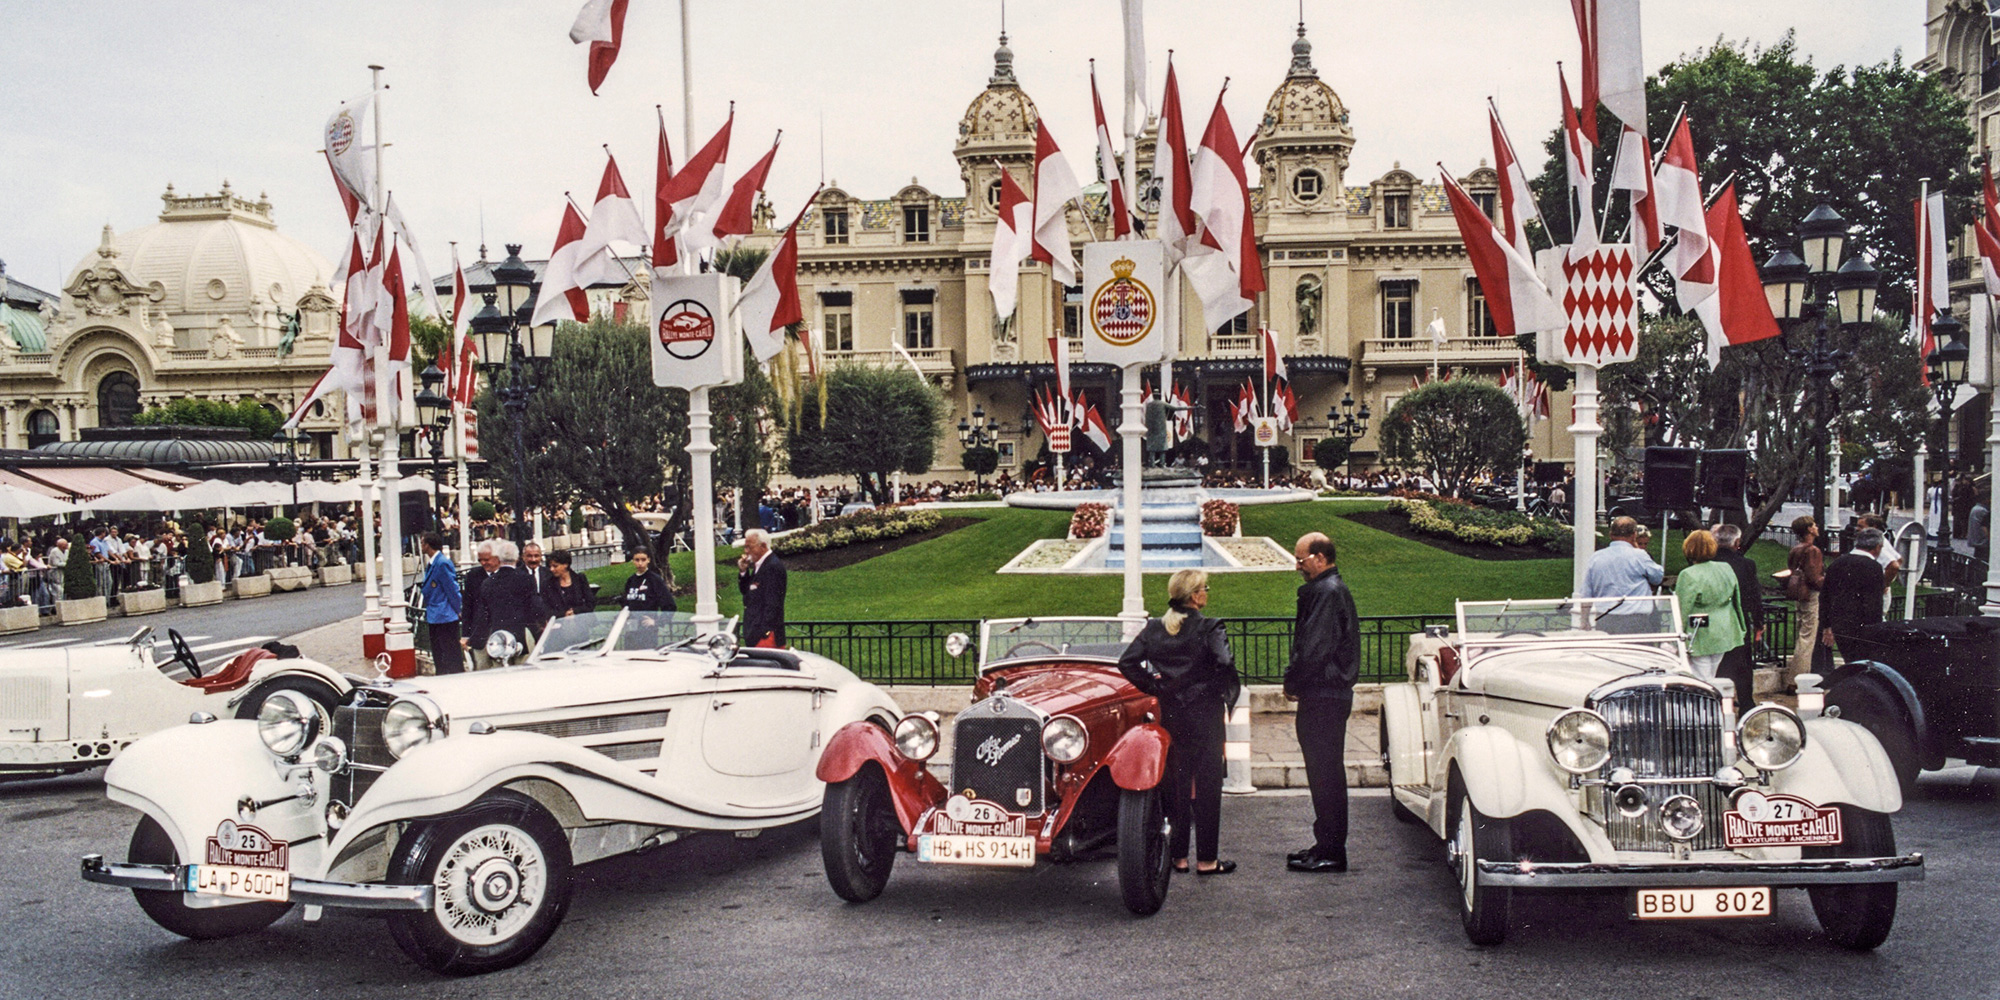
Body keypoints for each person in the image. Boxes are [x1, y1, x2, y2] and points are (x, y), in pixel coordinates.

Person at [1117, 569, 1242, 876]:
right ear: (1196, 595)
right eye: (1205, 589)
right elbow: (1224, 662)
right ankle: (1208, 860)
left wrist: (1157, 686)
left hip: (1172, 712)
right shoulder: (1211, 627)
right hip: (1206, 714)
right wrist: (1215, 688)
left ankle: (1179, 857)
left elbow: (1126, 662)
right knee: (1209, 784)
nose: (1207, 594)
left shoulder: (1156, 628)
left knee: (1176, 785)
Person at [1284, 532, 1360, 874]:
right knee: (1325, 772)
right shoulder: (1330, 590)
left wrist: (1293, 681)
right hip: (1328, 693)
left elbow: (1313, 649)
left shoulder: (1326, 593)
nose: (1298, 567)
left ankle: (1331, 849)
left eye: (1301, 560)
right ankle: (1326, 844)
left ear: (1318, 557)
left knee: (1325, 773)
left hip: (1323, 694)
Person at [1673, 530, 1746, 681]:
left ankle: (1706, 704)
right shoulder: (1725, 568)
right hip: (1723, 629)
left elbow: (1681, 609)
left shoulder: (1688, 574)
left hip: (1700, 632)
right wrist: (1740, 627)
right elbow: (1736, 601)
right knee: (1711, 674)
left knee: (1701, 677)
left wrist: (1674, 638)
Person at [1710, 524, 1764, 714]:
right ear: (1737, 542)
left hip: (1713, 622)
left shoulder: (1707, 562)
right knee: (1742, 665)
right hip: (1739, 621)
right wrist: (1759, 622)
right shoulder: (1746, 564)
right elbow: (1754, 595)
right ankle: (1746, 702)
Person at [465, 539, 538, 669]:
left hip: (499, 637)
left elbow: (483, 614)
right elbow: (535, 608)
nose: (483, 563)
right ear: (516, 558)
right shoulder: (526, 579)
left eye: (487, 559)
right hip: (511, 636)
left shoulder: (488, 583)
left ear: (498, 558)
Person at [1583, 517, 1665, 633]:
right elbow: (1657, 577)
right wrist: (1636, 548)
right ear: (1634, 535)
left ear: (1611, 534)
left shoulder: (1596, 558)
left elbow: (1587, 592)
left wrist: (1584, 620)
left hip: (1605, 619)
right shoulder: (1640, 556)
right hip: (1636, 620)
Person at [1821, 527, 1888, 667]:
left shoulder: (1837, 563)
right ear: (1877, 547)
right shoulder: (1874, 567)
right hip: (1863, 628)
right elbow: (1874, 603)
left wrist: (1826, 625)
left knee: (1850, 662)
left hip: (1840, 626)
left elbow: (1825, 596)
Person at [1785, 516, 1827, 687]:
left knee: (1802, 634)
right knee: (1807, 638)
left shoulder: (1795, 549)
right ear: (1809, 529)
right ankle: (1797, 679)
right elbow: (1814, 578)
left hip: (1800, 596)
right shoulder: (1813, 551)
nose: (1817, 527)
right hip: (1811, 596)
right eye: (1814, 525)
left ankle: (1796, 677)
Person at [419, 533, 465, 675]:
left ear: (428, 545)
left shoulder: (441, 563)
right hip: (436, 614)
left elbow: (452, 589)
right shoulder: (433, 563)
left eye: (422, 543)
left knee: (449, 652)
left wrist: (459, 609)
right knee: (439, 652)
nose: (421, 546)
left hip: (444, 614)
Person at [736, 528, 788, 648]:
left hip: (766, 637)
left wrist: (763, 632)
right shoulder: (760, 565)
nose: (746, 551)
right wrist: (743, 572)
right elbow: (747, 592)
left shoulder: (772, 567)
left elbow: (773, 604)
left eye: (749, 547)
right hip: (755, 634)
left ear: (763, 546)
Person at [618, 548, 674, 646]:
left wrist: (657, 622)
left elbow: (670, 605)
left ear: (648, 560)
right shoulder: (631, 580)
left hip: (648, 631)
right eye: (637, 560)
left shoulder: (654, 580)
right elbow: (626, 603)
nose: (640, 563)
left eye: (643, 560)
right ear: (633, 561)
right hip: (631, 630)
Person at [543, 550, 595, 618]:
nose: (551, 569)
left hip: (581, 621)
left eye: (555, 566)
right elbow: (546, 609)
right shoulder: (548, 584)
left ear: (565, 565)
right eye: (550, 566)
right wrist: (564, 614)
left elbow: (590, 603)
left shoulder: (580, 579)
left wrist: (575, 611)